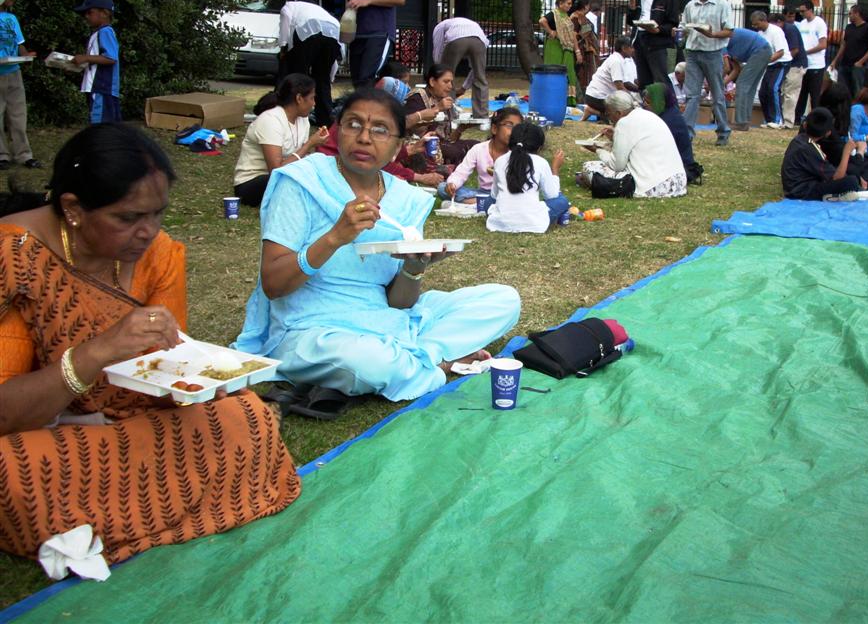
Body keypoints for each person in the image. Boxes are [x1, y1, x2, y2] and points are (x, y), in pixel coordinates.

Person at [0, 124, 300, 565]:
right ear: (73, 209)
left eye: (157, 214)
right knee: (11, 468)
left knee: (249, 416)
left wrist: (200, 382)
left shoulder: (159, 253)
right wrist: (94, 354)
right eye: (128, 218)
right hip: (39, 429)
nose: (148, 231)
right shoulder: (16, 258)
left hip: (128, 423)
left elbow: (167, 364)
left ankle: (103, 516)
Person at [234, 88, 521, 401]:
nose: (364, 138)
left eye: (380, 130)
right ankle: (436, 365)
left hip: (385, 316)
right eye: (353, 124)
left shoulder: (406, 199)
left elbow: (398, 302)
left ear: (398, 145)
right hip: (311, 328)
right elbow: (273, 285)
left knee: (504, 300)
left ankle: (416, 355)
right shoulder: (300, 182)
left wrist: (414, 266)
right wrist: (334, 238)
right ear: (336, 131)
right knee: (366, 363)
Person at [233, 74, 330, 207]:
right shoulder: (270, 120)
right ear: (299, 98)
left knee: (322, 168)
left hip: (286, 176)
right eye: (312, 98)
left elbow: (300, 161)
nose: (314, 104)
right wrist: (310, 144)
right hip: (252, 183)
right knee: (292, 179)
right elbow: (276, 170)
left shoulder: (303, 119)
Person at [577, 91, 687, 198]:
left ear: (618, 113)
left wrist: (597, 150)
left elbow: (617, 165)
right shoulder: (647, 114)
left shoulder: (624, 123)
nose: (608, 118)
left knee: (589, 166)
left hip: (653, 186)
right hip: (678, 182)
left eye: (608, 114)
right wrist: (615, 138)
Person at [680, 0, 734, 145]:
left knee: (717, 94)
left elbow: (729, 31)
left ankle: (723, 132)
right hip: (693, 53)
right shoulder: (690, 5)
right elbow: (684, 27)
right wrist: (680, 31)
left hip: (713, 52)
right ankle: (687, 133)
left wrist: (712, 34)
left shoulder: (721, 5)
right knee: (692, 95)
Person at [486, 122, 568, 233]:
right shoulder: (541, 162)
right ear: (539, 147)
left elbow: (494, 195)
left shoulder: (500, 161)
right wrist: (555, 170)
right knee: (562, 201)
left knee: (488, 201)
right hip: (533, 223)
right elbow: (552, 195)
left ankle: (507, 216)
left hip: (500, 222)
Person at [278, 0, 342, 127]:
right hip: (334, 32)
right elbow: (333, 62)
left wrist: (283, 45)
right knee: (322, 78)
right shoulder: (321, 11)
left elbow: (285, 15)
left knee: (298, 76)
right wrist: (331, 77)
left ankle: (292, 114)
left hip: (308, 29)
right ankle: (325, 120)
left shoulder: (289, 5)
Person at [440, 106, 523, 204]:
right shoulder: (478, 149)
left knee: (517, 197)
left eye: (518, 128)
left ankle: (481, 203)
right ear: (494, 129)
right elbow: (461, 172)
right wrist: (452, 184)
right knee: (442, 188)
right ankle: (488, 202)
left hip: (507, 192)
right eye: (509, 125)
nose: (514, 131)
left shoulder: (519, 152)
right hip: (484, 193)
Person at [0, 0, 41, 170]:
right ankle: (2, 155)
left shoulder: (12, 19)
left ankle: (24, 155)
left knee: (18, 114)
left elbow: (19, 45)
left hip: (13, 72)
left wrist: (27, 55)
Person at [781, 107, 865, 200]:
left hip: (795, 187)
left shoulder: (799, 140)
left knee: (849, 174)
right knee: (851, 181)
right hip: (801, 191)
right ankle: (833, 197)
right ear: (828, 133)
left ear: (805, 125)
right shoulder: (810, 148)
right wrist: (847, 152)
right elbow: (837, 177)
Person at [405, 63, 477, 165]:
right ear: (432, 81)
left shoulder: (442, 99)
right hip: (420, 145)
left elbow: (448, 139)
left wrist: (461, 128)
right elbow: (416, 132)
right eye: (446, 82)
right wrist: (438, 108)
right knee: (453, 152)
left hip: (442, 144)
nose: (450, 86)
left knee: (477, 146)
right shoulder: (417, 97)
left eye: (451, 82)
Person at [627, 0, 681, 91]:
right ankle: (646, 108)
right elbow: (631, 21)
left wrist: (658, 30)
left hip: (658, 44)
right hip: (640, 41)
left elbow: (673, 24)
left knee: (661, 80)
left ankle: (666, 108)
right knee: (644, 81)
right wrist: (632, 2)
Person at [72, 0, 120, 124]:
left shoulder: (105, 32)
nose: (86, 16)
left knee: (100, 126)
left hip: (102, 88)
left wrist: (86, 58)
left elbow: (111, 58)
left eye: (90, 12)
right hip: (97, 88)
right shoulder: (98, 33)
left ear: (104, 13)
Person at [432, 17, 489, 118]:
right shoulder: (472, 24)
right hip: (479, 40)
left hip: (456, 37)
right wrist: (464, 88)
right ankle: (481, 116)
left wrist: (438, 72)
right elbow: (474, 71)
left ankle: (449, 114)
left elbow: (438, 50)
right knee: (480, 77)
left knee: (446, 76)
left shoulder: (439, 27)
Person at [722, 26, 772, 132]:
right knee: (749, 87)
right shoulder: (727, 41)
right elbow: (736, 69)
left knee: (742, 85)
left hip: (759, 51)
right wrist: (722, 84)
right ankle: (745, 120)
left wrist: (716, 83)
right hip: (764, 50)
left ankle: (741, 122)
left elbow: (726, 68)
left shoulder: (721, 42)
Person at [642, 82, 696, 177]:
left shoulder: (668, 121)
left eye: (648, 102)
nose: (644, 105)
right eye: (644, 101)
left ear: (658, 102)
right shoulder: (668, 112)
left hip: (678, 167)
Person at [828, 4, 868, 98]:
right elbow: (844, 45)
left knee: (857, 90)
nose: (849, 15)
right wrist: (835, 61)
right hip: (845, 63)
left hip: (857, 66)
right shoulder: (849, 27)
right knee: (842, 90)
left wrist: (861, 61)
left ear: (857, 14)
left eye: (850, 13)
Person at [751, 11, 791, 129]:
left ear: (764, 21)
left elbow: (780, 52)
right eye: (753, 25)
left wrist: (765, 61)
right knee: (763, 92)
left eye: (756, 24)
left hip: (781, 63)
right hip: (770, 65)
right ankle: (769, 120)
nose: (755, 27)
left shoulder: (776, 31)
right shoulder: (760, 34)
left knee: (773, 88)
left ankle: (778, 120)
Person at [539, 0, 580, 104]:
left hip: (567, 48)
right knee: (555, 70)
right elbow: (542, 21)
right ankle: (553, 97)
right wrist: (551, 31)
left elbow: (572, 34)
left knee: (568, 71)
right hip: (555, 46)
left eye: (571, 4)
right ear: (560, 3)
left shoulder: (566, 16)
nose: (570, 6)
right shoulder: (554, 14)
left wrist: (577, 51)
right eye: (568, 3)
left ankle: (568, 100)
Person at [583, 36, 636, 120]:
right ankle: (592, 111)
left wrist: (639, 89)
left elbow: (625, 83)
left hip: (597, 96)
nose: (633, 50)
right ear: (624, 48)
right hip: (597, 97)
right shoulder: (616, 61)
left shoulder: (619, 60)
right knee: (622, 114)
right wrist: (633, 101)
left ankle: (596, 112)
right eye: (631, 48)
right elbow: (620, 86)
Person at [794, 1, 829, 125]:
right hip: (804, 64)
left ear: (810, 10)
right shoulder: (802, 24)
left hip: (816, 64)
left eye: (803, 11)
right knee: (802, 93)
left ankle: (816, 119)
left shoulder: (819, 23)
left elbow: (823, 44)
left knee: (814, 94)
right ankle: (797, 118)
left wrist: (806, 52)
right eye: (800, 11)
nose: (801, 14)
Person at [777, 9, 807, 128]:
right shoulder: (782, 30)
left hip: (796, 65)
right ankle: (782, 119)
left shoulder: (790, 29)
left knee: (791, 93)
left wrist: (785, 62)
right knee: (784, 92)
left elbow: (794, 50)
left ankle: (788, 122)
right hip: (788, 65)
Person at [572, 0, 599, 97]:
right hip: (582, 50)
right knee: (582, 75)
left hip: (587, 51)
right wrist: (578, 51)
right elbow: (574, 35)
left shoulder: (582, 17)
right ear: (586, 6)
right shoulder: (576, 18)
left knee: (587, 75)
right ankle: (580, 97)